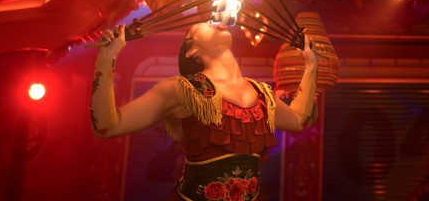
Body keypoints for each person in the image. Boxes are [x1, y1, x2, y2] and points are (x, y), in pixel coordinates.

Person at [90, 21, 318, 201]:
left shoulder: (262, 93)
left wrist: (311, 66)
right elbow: (106, 126)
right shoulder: (184, 90)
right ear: (192, 50)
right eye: (205, 23)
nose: (214, 20)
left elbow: (299, 119)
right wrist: (106, 58)